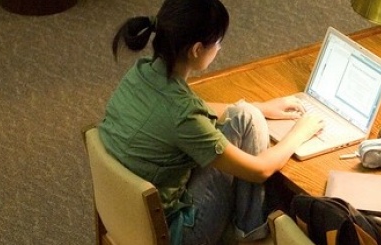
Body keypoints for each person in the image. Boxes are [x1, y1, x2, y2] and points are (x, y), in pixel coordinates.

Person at [98, 0, 323, 244]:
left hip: (123, 211)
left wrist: (261, 107)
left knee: (246, 115)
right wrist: (301, 132)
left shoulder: (142, 72)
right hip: (174, 233)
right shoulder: (184, 115)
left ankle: (249, 226)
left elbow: (191, 110)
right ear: (197, 49)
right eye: (217, 42)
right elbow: (260, 170)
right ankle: (251, 236)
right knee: (251, 127)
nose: (219, 48)